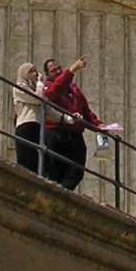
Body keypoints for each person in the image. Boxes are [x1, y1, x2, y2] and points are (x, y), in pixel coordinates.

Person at [41, 55, 106, 191]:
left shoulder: (73, 89)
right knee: (55, 170)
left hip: (75, 134)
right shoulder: (47, 88)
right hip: (56, 133)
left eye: (60, 68)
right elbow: (55, 91)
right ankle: (56, 194)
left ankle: (63, 194)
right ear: (47, 74)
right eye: (54, 70)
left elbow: (85, 110)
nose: (59, 72)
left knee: (76, 170)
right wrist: (71, 70)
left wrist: (98, 125)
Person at [11, 61, 55, 175]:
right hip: (25, 126)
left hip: (36, 126)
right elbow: (37, 99)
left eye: (35, 70)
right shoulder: (19, 87)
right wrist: (40, 84)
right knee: (27, 162)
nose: (35, 73)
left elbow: (46, 107)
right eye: (31, 71)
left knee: (42, 162)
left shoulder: (35, 88)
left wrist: (67, 118)